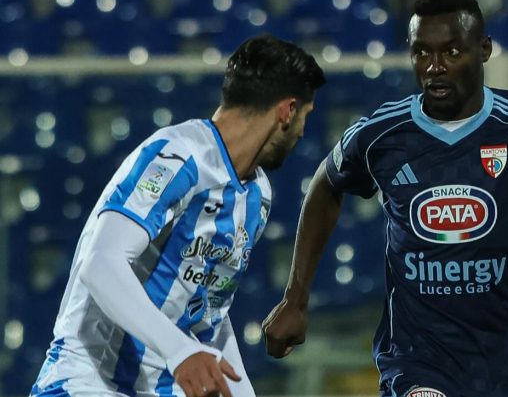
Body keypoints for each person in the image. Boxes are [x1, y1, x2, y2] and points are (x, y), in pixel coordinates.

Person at [262, 0, 508, 397]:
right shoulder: (381, 134)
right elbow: (325, 185)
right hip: (417, 364)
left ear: (484, 49)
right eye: (421, 53)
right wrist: (295, 298)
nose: (434, 67)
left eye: (452, 52)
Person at [30, 35, 325, 397]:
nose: (303, 132)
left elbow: (209, 314)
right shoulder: (178, 156)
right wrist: (179, 350)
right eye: (306, 116)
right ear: (288, 110)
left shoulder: (256, 195)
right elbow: (101, 263)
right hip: (86, 383)